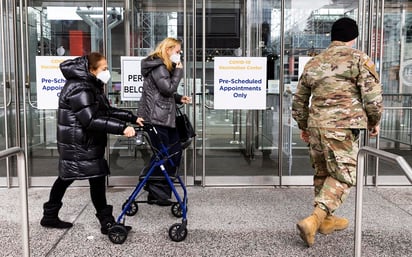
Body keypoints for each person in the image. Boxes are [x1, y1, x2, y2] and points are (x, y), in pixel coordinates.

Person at [292, 17, 383, 247]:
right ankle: (313, 220)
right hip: (342, 126)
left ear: (332, 37)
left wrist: (304, 127)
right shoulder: (359, 59)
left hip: (316, 126)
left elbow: (299, 100)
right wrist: (374, 121)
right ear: (353, 37)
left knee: (323, 172)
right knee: (344, 174)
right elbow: (372, 98)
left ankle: (327, 221)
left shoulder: (314, 62)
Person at [40, 52, 138, 234]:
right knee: (80, 178)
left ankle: (51, 216)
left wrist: (132, 118)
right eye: (104, 69)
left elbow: (106, 111)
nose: (107, 72)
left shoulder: (90, 85)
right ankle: (105, 222)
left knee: (74, 178)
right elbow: (91, 119)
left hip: (82, 142)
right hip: (79, 144)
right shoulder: (81, 88)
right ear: (91, 69)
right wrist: (122, 128)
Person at [136, 37, 191, 206]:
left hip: (163, 117)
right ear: (168, 50)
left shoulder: (162, 66)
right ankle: (156, 189)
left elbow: (161, 93)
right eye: (177, 50)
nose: (179, 53)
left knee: (173, 152)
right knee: (165, 154)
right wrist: (178, 71)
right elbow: (167, 88)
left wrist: (178, 98)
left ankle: (157, 191)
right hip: (157, 118)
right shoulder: (159, 66)